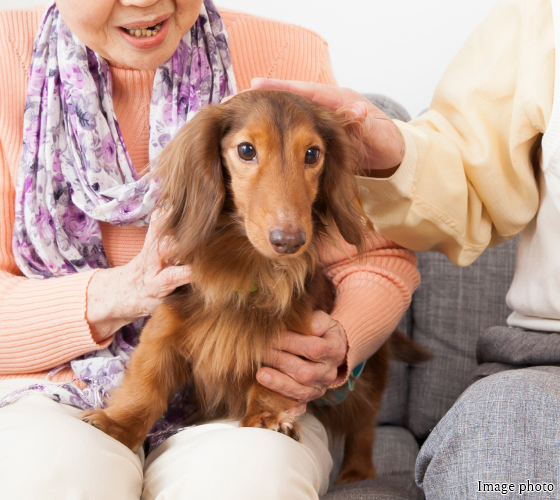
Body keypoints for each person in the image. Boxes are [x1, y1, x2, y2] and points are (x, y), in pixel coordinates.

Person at [0, 1, 420, 499]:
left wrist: (336, 342)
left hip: (248, 389)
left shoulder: (291, 52)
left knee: (253, 478)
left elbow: (372, 254)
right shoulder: (8, 51)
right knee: (50, 476)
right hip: (55, 389)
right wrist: (122, 292)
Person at [254, 0, 560, 497]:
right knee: (504, 440)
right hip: (550, 367)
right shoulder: (542, 18)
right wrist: (396, 153)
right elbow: (474, 178)